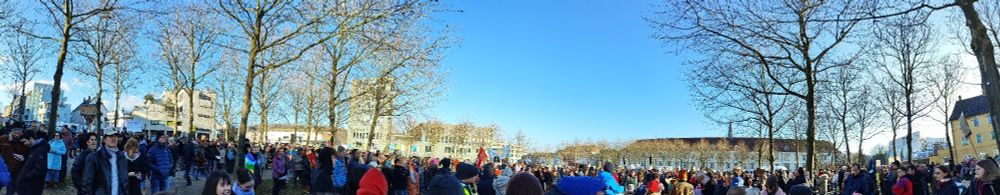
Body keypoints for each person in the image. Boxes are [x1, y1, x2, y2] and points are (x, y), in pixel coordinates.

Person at [15, 130, 49, 195]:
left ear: (30, 138)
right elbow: (32, 164)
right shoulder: (34, 148)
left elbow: (40, 169)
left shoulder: (40, 150)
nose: (24, 143)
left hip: (31, 187)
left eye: (25, 141)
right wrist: (23, 160)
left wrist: (25, 176)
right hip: (27, 186)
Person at [0, 129, 28, 195]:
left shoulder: (24, 140)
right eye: (15, 132)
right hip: (4, 166)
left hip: (17, 167)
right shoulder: (4, 138)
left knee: (12, 185)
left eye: (19, 133)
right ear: (12, 132)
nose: (17, 135)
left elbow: (27, 153)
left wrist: (23, 157)